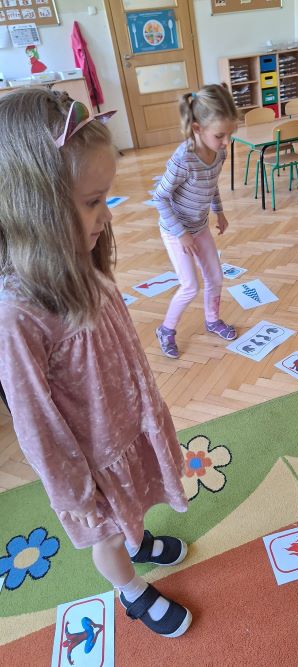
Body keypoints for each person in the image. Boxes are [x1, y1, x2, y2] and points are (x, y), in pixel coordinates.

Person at [0, 88, 191, 638]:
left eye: (104, 198)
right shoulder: (16, 315)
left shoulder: (78, 257)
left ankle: (140, 539)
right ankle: (130, 589)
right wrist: (76, 495)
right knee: (106, 534)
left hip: (126, 423)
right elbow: (35, 422)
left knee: (136, 500)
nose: (105, 216)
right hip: (89, 461)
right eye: (91, 202)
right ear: (34, 207)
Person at [153, 84, 239, 359]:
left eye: (230, 134)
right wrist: (180, 233)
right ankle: (165, 329)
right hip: (175, 230)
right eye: (220, 135)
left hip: (199, 226)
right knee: (190, 285)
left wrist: (219, 211)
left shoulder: (219, 152)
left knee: (215, 277)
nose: (226, 142)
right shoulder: (183, 159)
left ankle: (212, 320)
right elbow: (160, 197)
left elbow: (211, 184)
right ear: (198, 129)